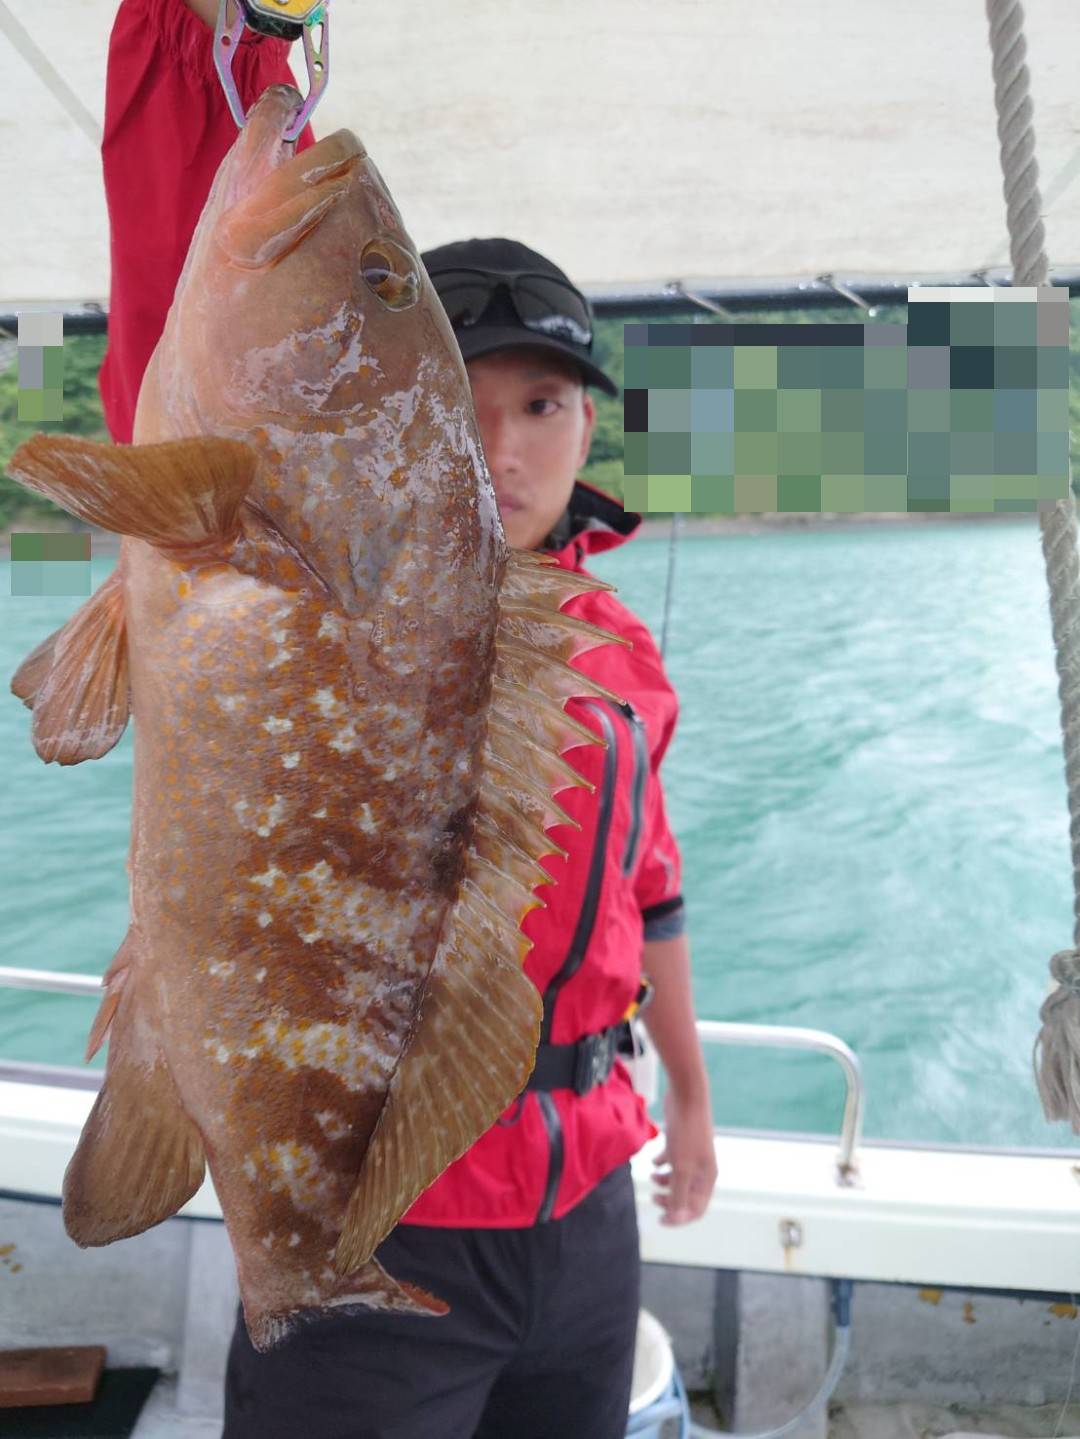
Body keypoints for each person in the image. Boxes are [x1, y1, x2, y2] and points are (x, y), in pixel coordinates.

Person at [98, 3, 718, 1436]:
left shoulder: (615, 652)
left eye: (544, 405)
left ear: (588, 427)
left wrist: (690, 1099)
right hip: (392, 1197)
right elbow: (188, 230)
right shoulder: (252, 531)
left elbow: (653, 892)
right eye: (470, 400)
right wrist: (238, 41)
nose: (503, 445)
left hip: (588, 1209)